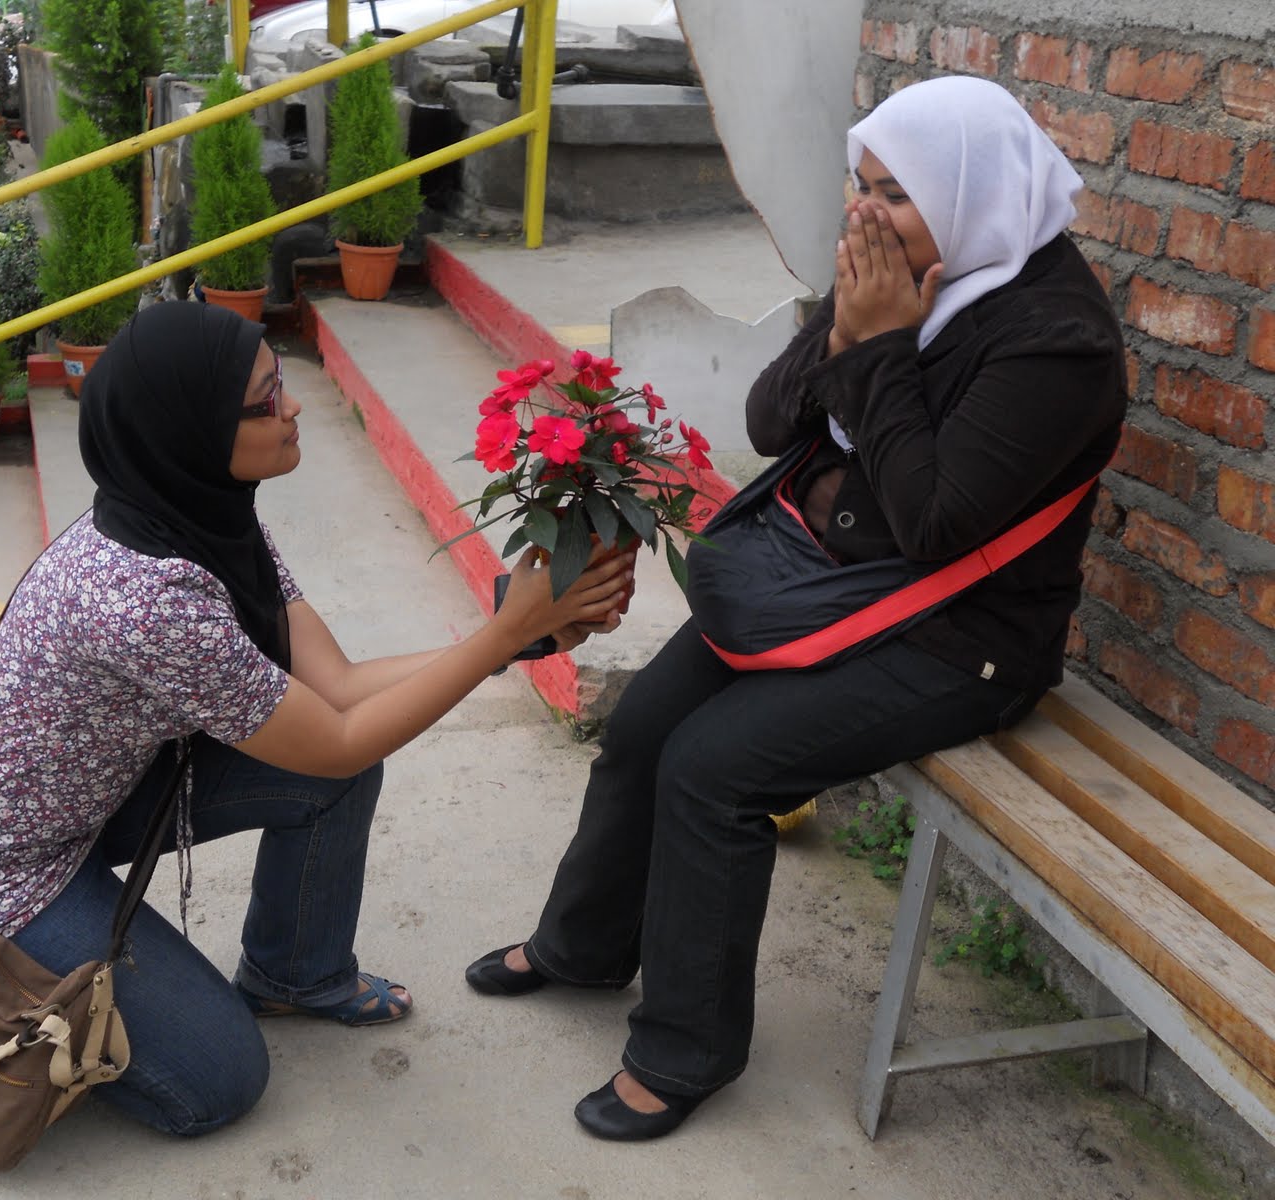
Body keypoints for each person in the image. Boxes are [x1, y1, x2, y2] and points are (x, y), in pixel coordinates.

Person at [464, 74, 1128, 1140]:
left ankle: (685, 1050)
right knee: (643, 728)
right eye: (862, 185)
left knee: (713, 770)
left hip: (959, 634)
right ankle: (582, 948)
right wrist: (841, 336)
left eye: (897, 194)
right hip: (822, 584)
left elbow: (937, 525)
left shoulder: (1057, 341)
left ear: (970, 194)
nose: (867, 212)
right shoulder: (891, 268)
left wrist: (880, 348)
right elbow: (772, 424)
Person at [0, 302, 634, 1138]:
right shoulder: (145, 598)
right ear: (191, 432)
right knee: (221, 1084)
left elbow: (339, 687)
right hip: (4, 869)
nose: (291, 406)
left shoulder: (201, 512)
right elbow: (336, 738)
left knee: (332, 776)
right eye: (263, 401)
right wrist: (507, 634)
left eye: (279, 382)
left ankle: (294, 976)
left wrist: (521, 636)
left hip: (92, 800)